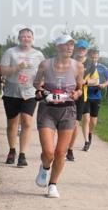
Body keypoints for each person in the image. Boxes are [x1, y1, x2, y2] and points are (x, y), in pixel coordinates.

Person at [32, 34, 85, 198]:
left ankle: (53, 185)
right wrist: (41, 90)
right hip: (47, 109)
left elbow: (80, 87)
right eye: (66, 44)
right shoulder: (45, 64)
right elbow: (36, 83)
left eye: (71, 45)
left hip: (68, 110)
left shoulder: (78, 67)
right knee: (48, 152)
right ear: (57, 47)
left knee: (61, 152)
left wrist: (76, 94)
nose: (70, 47)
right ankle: (45, 167)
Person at [0, 27, 45, 167]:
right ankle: (12, 150)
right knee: (12, 123)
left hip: (30, 92)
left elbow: (43, 72)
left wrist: (41, 83)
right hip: (12, 92)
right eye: (23, 36)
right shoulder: (11, 52)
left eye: (29, 36)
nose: (26, 39)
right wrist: (17, 68)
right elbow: (3, 71)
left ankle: (23, 154)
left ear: (33, 39)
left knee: (27, 121)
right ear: (19, 38)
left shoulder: (38, 55)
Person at [81, 49, 108, 151]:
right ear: (88, 56)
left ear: (98, 57)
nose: (94, 59)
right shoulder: (84, 66)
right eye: (92, 57)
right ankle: (86, 141)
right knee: (86, 118)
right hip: (85, 96)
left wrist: (103, 85)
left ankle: (90, 134)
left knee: (93, 121)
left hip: (96, 96)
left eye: (96, 57)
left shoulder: (102, 68)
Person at [67, 39, 90, 162]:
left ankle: (70, 150)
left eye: (84, 49)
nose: (81, 51)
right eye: (80, 48)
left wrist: (84, 81)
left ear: (86, 51)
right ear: (76, 49)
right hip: (67, 93)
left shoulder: (91, 65)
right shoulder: (70, 61)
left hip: (81, 95)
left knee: (76, 123)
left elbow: (95, 81)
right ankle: (61, 145)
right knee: (64, 122)